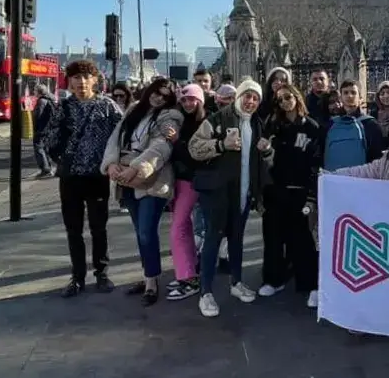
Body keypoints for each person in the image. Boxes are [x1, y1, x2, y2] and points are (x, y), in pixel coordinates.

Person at [188, 78, 274, 318]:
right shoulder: (218, 119)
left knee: (237, 239)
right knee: (213, 239)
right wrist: (220, 145)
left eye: (255, 98)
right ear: (239, 97)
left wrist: (267, 151)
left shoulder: (257, 124)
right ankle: (205, 292)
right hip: (217, 192)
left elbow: (265, 158)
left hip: (242, 193)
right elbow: (194, 147)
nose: (251, 102)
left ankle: (236, 282)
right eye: (247, 96)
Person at [45, 60, 124, 298]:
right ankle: (77, 277)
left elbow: (122, 136)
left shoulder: (108, 106)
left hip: (97, 176)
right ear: (69, 81)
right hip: (70, 177)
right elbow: (49, 138)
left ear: (95, 80)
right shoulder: (63, 107)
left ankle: (102, 272)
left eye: (86, 77)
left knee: (99, 227)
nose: (81, 82)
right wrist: (61, 156)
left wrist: (113, 162)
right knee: (73, 229)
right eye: (76, 78)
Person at [101, 79, 179, 306]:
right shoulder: (134, 110)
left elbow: (161, 147)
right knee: (139, 232)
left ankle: (152, 283)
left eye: (165, 96)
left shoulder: (170, 117)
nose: (159, 98)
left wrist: (136, 168)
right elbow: (115, 139)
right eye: (156, 92)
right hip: (125, 177)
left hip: (152, 181)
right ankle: (148, 275)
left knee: (146, 232)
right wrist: (111, 164)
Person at [258, 84, 322, 309]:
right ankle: (274, 280)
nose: (284, 102)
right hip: (276, 189)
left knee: (302, 239)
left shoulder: (311, 126)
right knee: (273, 237)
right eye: (280, 99)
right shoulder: (274, 125)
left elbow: (315, 161)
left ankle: (311, 285)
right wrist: (265, 150)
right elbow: (266, 159)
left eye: (288, 97)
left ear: (297, 98)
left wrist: (312, 194)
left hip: (300, 190)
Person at [165, 83, 206, 301]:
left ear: (200, 101)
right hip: (178, 179)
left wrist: (176, 142)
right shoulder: (181, 121)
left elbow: (195, 155)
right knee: (184, 228)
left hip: (192, 180)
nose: (188, 103)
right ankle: (189, 271)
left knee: (178, 229)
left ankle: (188, 278)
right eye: (184, 100)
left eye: (192, 99)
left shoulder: (204, 123)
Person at [323, 80, 384, 171]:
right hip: (334, 176)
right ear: (341, 98)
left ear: (360, 98)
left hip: (361, 176)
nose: (349, 96)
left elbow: (376, 157)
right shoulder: (331, 124)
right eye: (345, 93)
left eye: (353, 92)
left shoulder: (370, 124)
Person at [33, 84, 58, 178]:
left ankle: (45, 169)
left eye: (35, 90)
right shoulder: (50, 99)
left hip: (42, 129)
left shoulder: (42, 101)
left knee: (38, 147)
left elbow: (38, 115)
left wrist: (36, 127)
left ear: (39, 92)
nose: (34, 92)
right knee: (45, 148)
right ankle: (49, 168)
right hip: (49, 128)